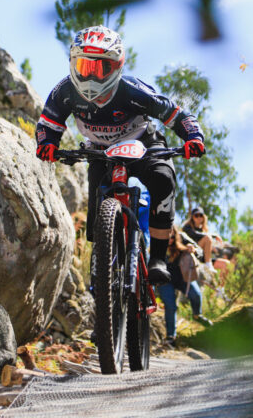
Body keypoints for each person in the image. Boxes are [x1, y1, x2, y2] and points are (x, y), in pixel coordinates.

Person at [35, 25, 205, 285]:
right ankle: (100, 260)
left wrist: (193, 136)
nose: (90, 76)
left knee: (163, 178)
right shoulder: (65, 91)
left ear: (116, 67)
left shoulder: (133, 89)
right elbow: (48, 122)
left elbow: (175, 113)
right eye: (84, 66)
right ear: (72, 63)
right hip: (100, 150)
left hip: (143, 143)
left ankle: (158, 259)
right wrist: (47, 143)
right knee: (96, 210)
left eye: (99, 68)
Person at [159, 226, 212, 346]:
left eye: (172, 237)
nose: (170, 239)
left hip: (183, 277)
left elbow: (200, 252)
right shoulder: (157, 242)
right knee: (170, 306)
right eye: (167, 237)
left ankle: (197, 315)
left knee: (196, 294)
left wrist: (193, 250)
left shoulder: (182, 237)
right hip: (165, 280)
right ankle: (171, 337)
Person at [182, 207, 233, 291]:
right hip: (194, 255)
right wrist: (213, 235)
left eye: (201, 215)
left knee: (227, 264)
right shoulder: (187, 228)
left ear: (203, 217)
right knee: (208, 238)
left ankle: (220, 290)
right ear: (192, 217)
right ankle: (208, 265)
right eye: (196, 215)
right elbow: (195, 235)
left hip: (204, 258)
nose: (199, 217)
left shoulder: (204, 230)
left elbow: (206, 244)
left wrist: (213, 248)